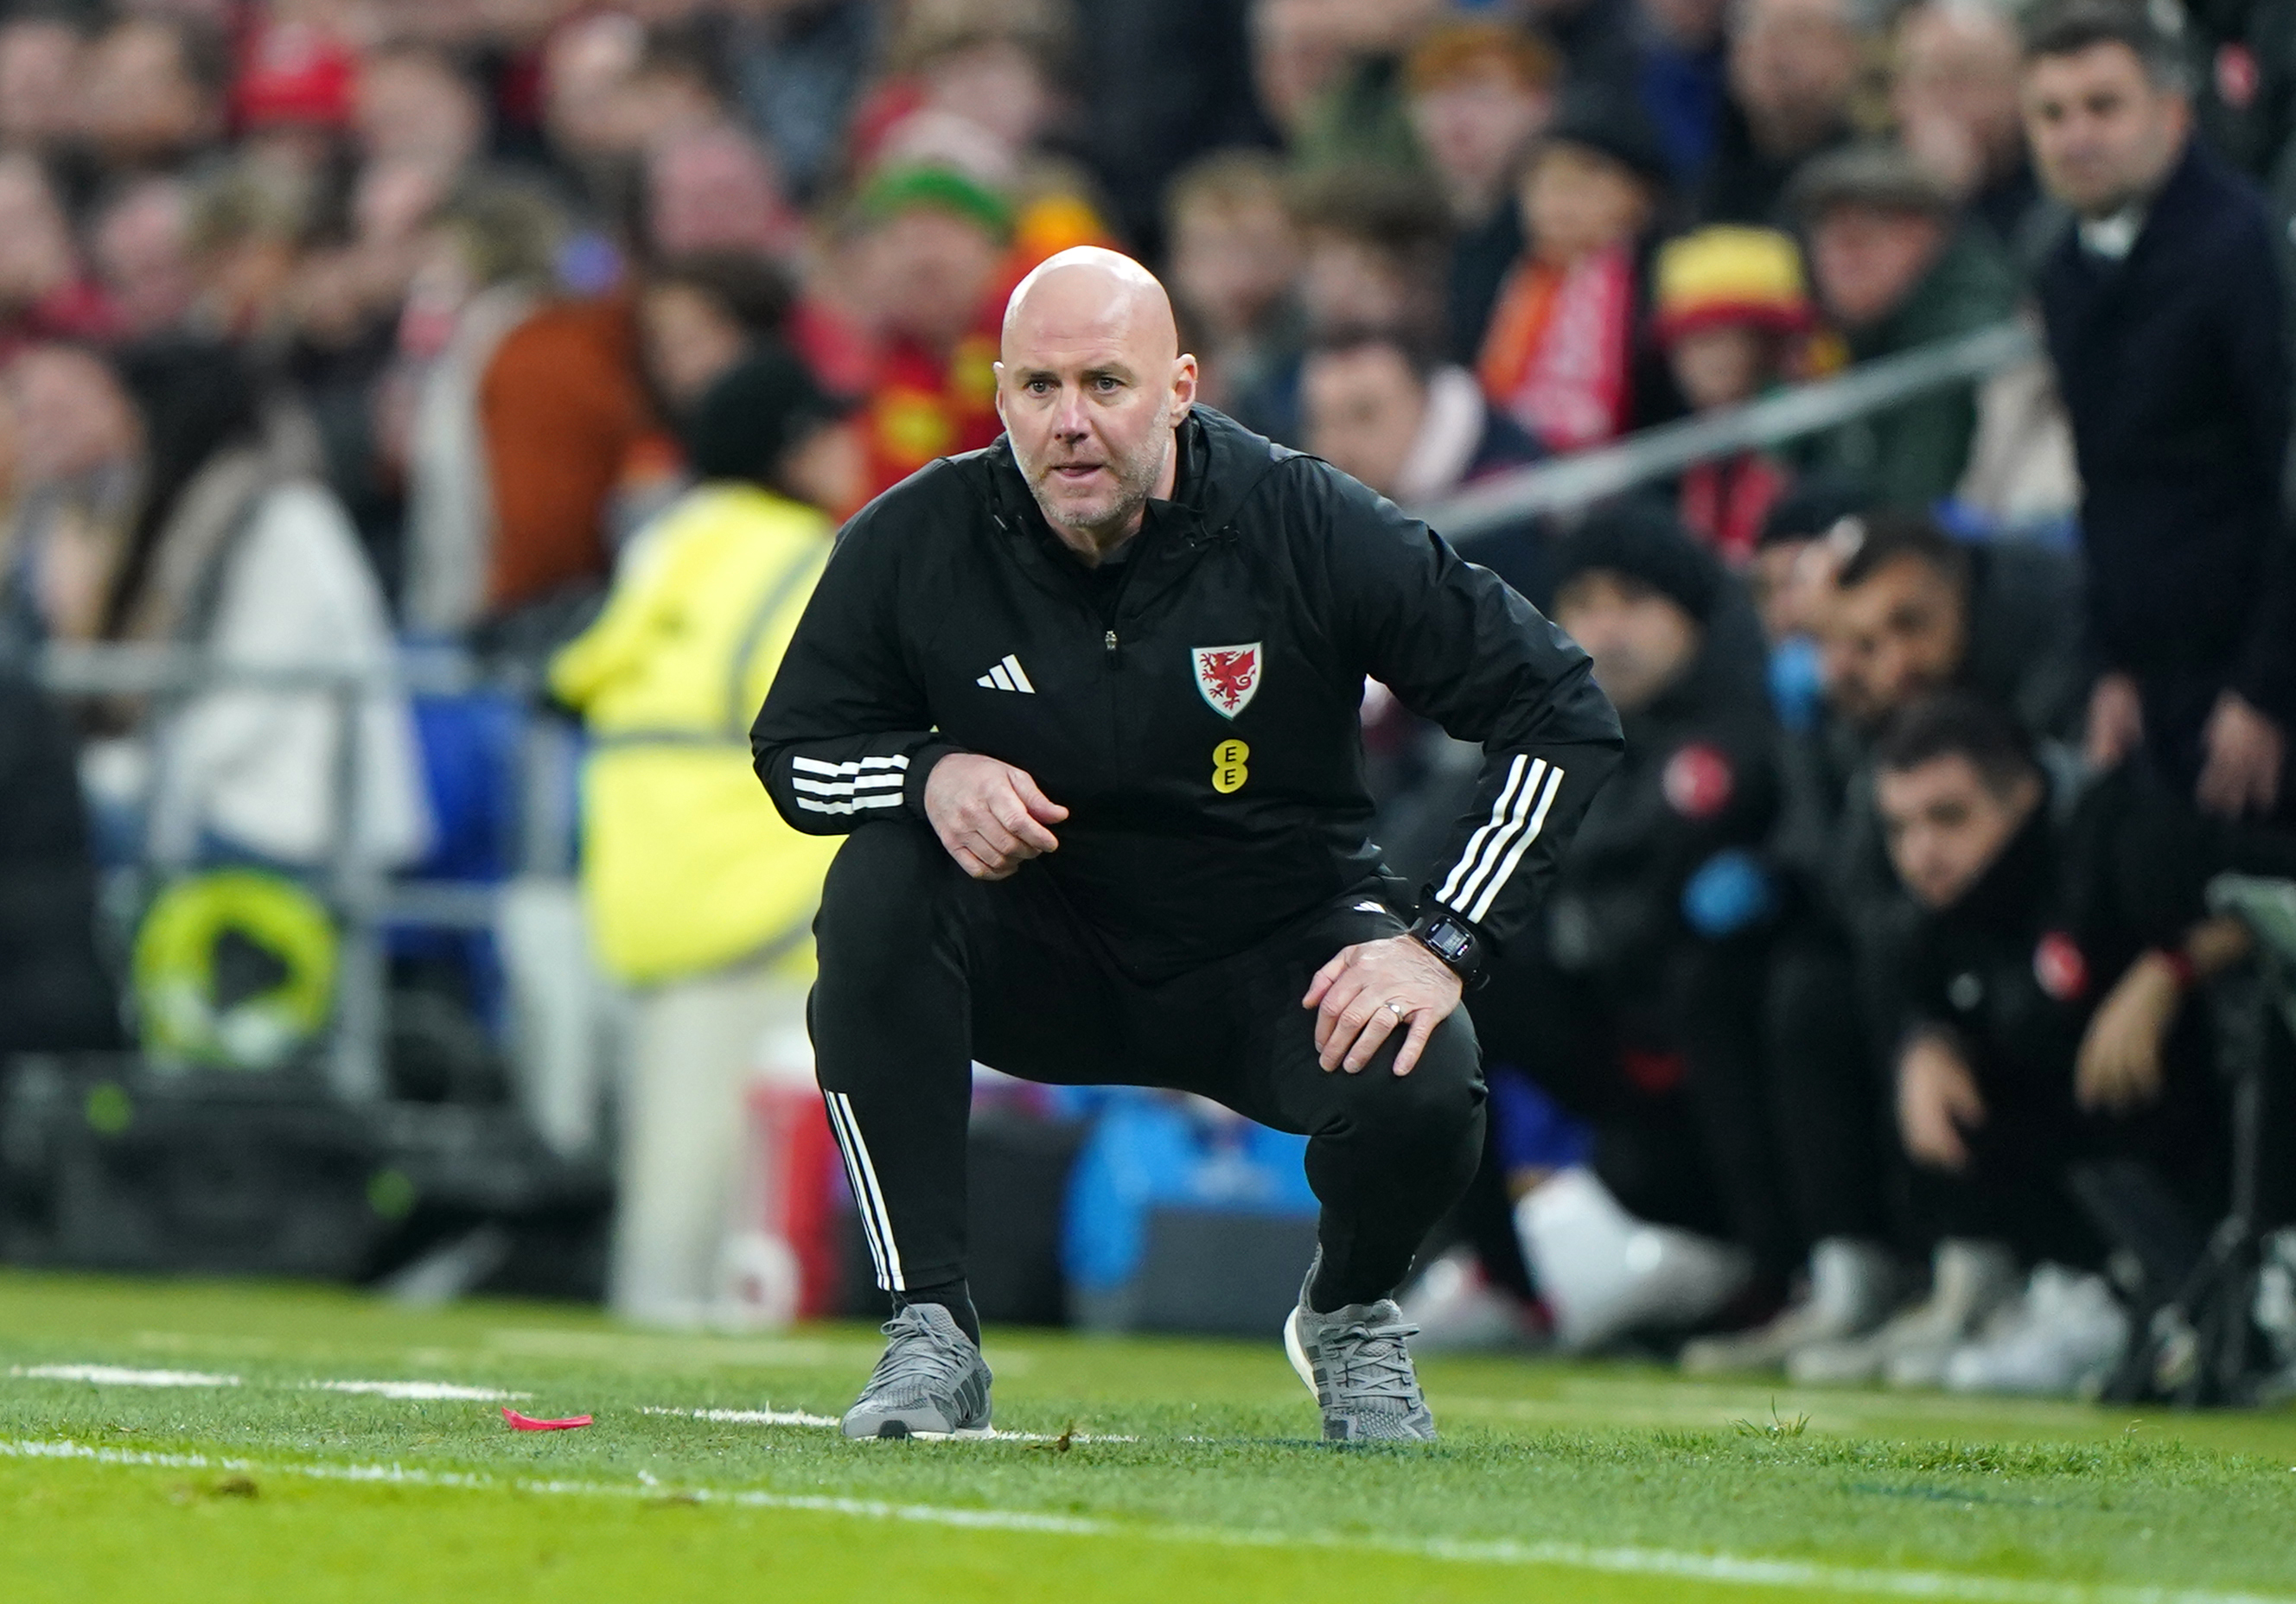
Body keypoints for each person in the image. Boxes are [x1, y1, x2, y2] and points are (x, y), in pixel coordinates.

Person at [749, 247, 1621, 1441]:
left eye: (1106, 384)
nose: (1068, 423)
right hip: (1040, 953)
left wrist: (1445, 939)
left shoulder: (1305, 519)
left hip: (1275, 955)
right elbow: (795, 752)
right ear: (999, 394)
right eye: (1039, 389)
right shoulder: (915, 539)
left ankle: (1353, 1312)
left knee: (1430, 1057)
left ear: (1182, 387)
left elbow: (1560, 709)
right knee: (879, 883)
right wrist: (926, 771)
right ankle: (928, 1333)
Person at [1821, 693, 2296, 1393]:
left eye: (1948, 818)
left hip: (2222, 1123)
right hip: (2096, 1136)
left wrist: (2171, 969)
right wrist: (1924, 1042)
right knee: (1962, 1068)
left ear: (2023, 797)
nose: (1921, 852)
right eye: (1900, 827)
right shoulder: (1930, 907)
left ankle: (2266, 1283)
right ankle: (2091, 1289)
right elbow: (1911, 989)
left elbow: (2277, 887)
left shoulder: (2127, 837)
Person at [551, 346, 858, 1328]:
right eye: (832, 427)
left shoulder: (664, 546)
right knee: (753, 1230)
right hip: (765, 907)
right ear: (793, 448)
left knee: (666, 1217)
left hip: (651, 906)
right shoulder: (804, 562)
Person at [1471, 506, 1788, 1353]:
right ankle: (1499, 1279)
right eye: (1584, 602)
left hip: (1741, 1077)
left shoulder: (1747, 718)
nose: (1605, 628)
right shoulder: (1554, 730)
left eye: (1631, 600)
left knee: (1726, 977)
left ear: (1687, 610)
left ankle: (1782, 1275)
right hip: (1627, 1085)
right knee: (1442, 984)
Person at [2023, 0, 2296, 820]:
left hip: (2259, 681)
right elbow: (2105, 482)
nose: (2076, 137)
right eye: (2051, 113)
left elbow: (2287, 480)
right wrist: (2109, 662)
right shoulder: (2063, 265)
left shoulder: (2247, 255)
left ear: (2173, 113)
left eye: (2103, 106)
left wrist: (2269, 688)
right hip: (2157, 687)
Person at [1789, 143, 2022, 510]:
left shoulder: (1964, 333)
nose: (1846, 257)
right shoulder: (1826, 340)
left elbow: (1915, 496)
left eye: (1866, 236)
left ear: (1929, 236)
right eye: (1829, 238)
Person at [1477, 91, 1670, 455]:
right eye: (1541, 184)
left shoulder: (1661, 281)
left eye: (1581, 183)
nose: (1555, 203)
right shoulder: (1503, 283)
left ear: (1640, 197)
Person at [1649, 225, 1817, 563]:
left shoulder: (1812, 445)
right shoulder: (1665, 462)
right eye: (1697, 341)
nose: (1715, 360)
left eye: (1731, 339)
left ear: (1770, 350)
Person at [1401, 20, 1562, 366]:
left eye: (1479, 95)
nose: (1455, 117)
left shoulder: (1556, 231)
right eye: (1437, 96)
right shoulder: (1429, 233)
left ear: (1539, 106)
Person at [1700, 0, 1863, 225]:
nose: (1772, 51)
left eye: (1798, 31)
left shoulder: (1873, 188)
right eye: (1752, 29)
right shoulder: (1697, 169)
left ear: (1848, 53)